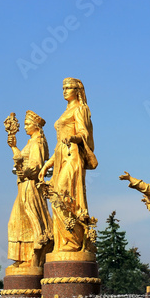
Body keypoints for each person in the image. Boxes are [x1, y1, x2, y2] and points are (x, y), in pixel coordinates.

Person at [39, 78, 97, 253]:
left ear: (77, 90)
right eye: (63, 88)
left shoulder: (80, 109)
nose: (64, 90)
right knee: (56, 196)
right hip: (61, 156)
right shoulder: (66, 111)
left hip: (73, 156)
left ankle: (73, 242)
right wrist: (46, 165)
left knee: (64, 195)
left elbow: (84, 133)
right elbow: (58, 146)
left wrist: (73, 138)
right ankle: (62, 242)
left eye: (68, 88)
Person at [7, 110, 53, 268]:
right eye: (25, 124)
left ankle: (34, 257)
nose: (25, 127)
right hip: (23, 185)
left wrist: (24, 171)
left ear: (36, 126)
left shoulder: (37, 142)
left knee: (33, 220)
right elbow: (21, 161)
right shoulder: (30, 142)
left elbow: (36, 166)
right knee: (17, 222)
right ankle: (23, 258)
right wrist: (13, 147)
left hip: (31, 186)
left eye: (28, 124)